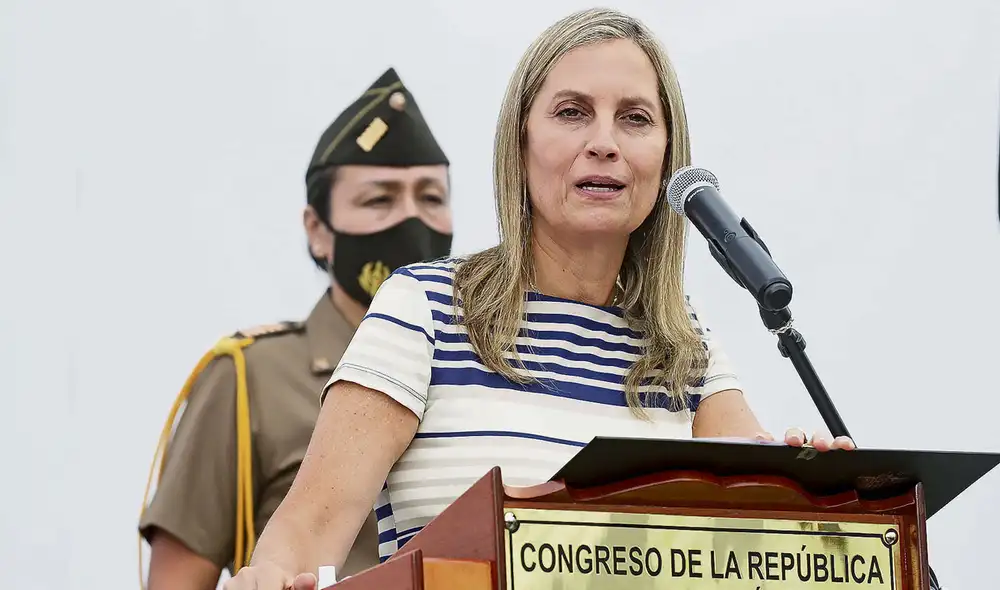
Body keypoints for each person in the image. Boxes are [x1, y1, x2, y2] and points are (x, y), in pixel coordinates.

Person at [224, 9, 855, 590]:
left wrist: (823, 496)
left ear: (666, 160)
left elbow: (762, 523)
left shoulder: (686, 345)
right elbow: (303, 537)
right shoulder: (426, 309)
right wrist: (268, 578)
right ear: (519, 145)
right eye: (573, 112)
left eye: (635, 118)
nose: (605, 141)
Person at [138, 67, 454, 590]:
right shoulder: (249, 378)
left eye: (431, 198)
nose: (411, 220)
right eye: (380, 200)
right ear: (318, 230)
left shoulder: (477, 367)